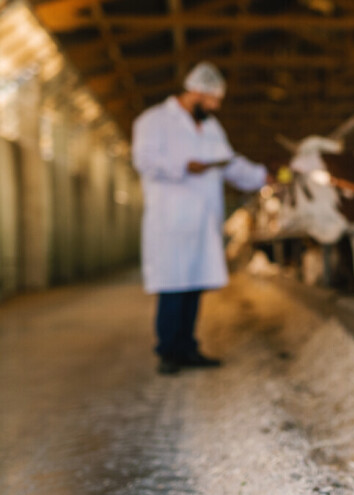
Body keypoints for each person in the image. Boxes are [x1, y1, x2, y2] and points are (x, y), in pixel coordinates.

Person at [132, 61, 268, 375]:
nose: (216, 106)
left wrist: (263, 176)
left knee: (193, 284)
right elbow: (144, 160)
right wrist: (184, 165)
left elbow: (229, 164)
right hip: (171, 221)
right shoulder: (153, 121)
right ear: (195, 93)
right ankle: (168, 352)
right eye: (212, 100)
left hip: (203, 220)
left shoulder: (211, 128)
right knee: (173, 286)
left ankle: (188, 348)